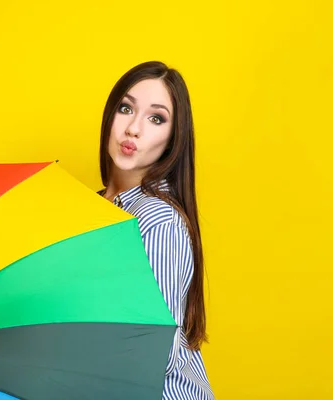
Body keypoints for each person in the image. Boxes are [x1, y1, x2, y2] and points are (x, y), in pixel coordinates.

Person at [98, 61, 214, 400]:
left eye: (156, 118)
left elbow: (152, 350)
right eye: (125, 108)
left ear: (172, 140)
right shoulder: (92, 209)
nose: (133, 128)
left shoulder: (157, 220)